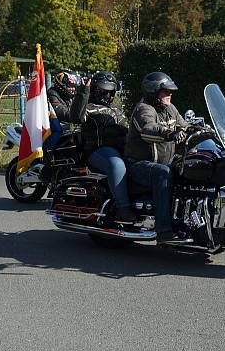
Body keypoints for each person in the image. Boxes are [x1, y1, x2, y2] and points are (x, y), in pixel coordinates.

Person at [124, 72, 192, 244]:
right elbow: (149, 129)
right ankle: (164, 231)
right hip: (139, 164)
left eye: (170, 91)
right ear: (154, 92)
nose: (170, 94)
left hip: (164, 161)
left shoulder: (170, 108)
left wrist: (200, 129)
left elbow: (183, 124)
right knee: (163, 173)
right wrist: (170, 133)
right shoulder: (144, 109)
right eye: (166, 91)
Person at [70, 71, 135, 222]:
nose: (105, 95)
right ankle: (123, 207)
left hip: (120, 149)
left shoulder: (116, 110)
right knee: (116, 164)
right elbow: (76, 116)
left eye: (108, 92)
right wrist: (83, 91)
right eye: (101, 90)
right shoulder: (88, 108)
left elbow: (130, 129)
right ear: (93, 90)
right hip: (97, 151)